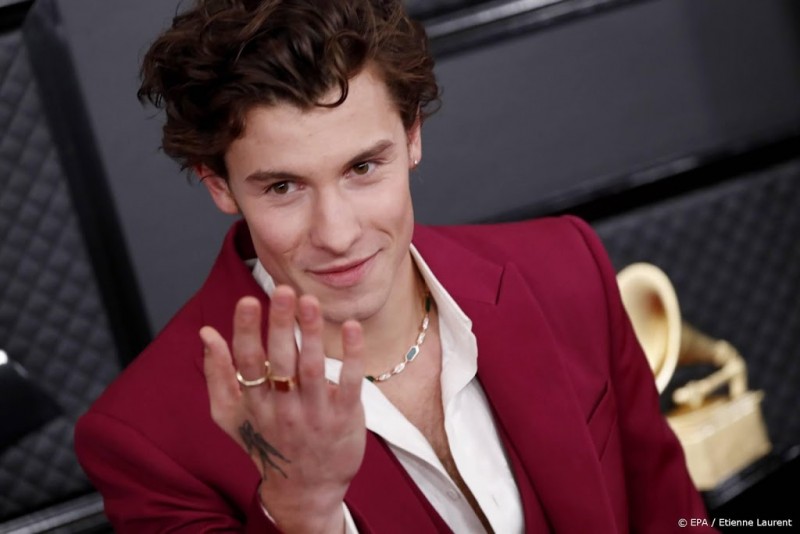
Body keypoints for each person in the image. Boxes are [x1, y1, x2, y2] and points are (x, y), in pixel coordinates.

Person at [74, 0, 718, 532]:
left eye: (362, 167)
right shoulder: (144, 439)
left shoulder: (564, 268)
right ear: (218, 185)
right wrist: (304, 516)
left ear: (412, 136)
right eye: (283, 188)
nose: (338, 234)